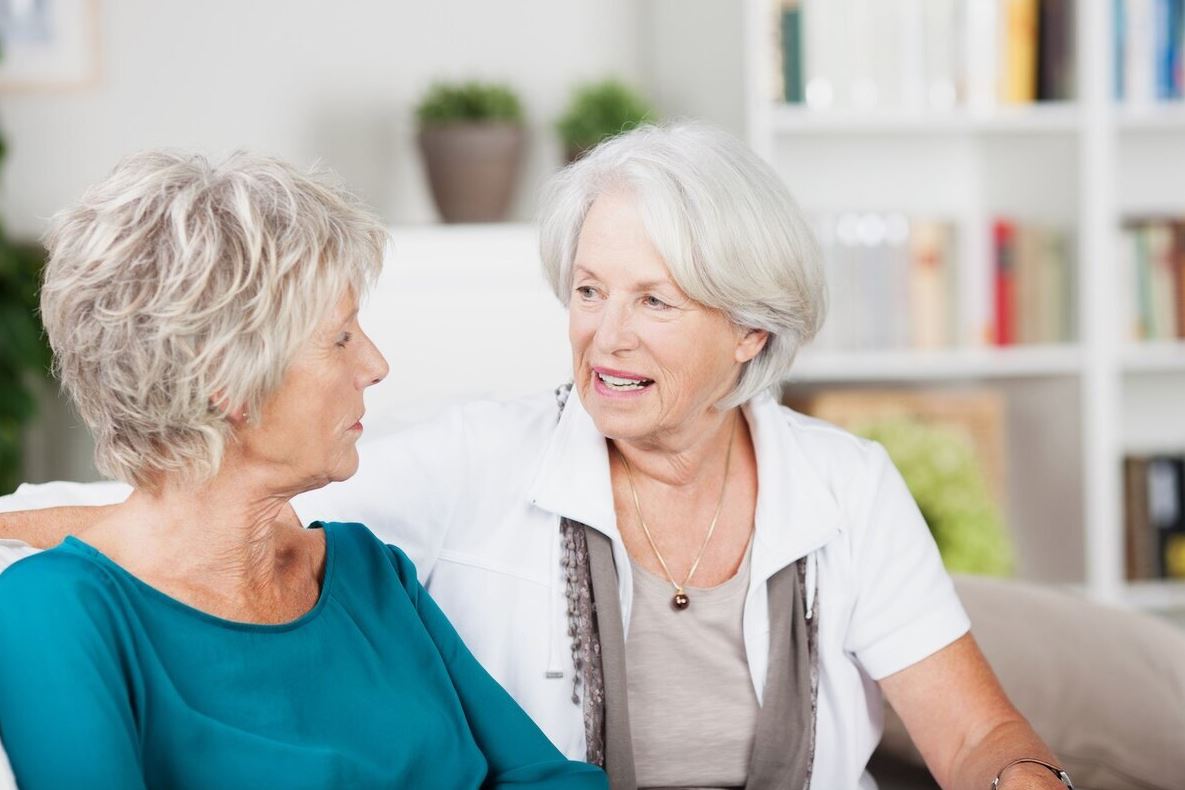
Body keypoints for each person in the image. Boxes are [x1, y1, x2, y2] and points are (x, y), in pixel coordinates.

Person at [0, 125, 1072, 789]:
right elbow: (168, 500)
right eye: (588, 290)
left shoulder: (843, 485)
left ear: (750, 329)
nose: (605, 334)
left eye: (653, 300)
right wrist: (134, 537)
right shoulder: (459, 463)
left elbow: (979, 736)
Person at [0, 151, 605, 790]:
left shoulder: (371, 572)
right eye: (341, 337)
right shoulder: (52, 613)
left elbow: (551, 779)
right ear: (225, 382)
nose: (375, 364)